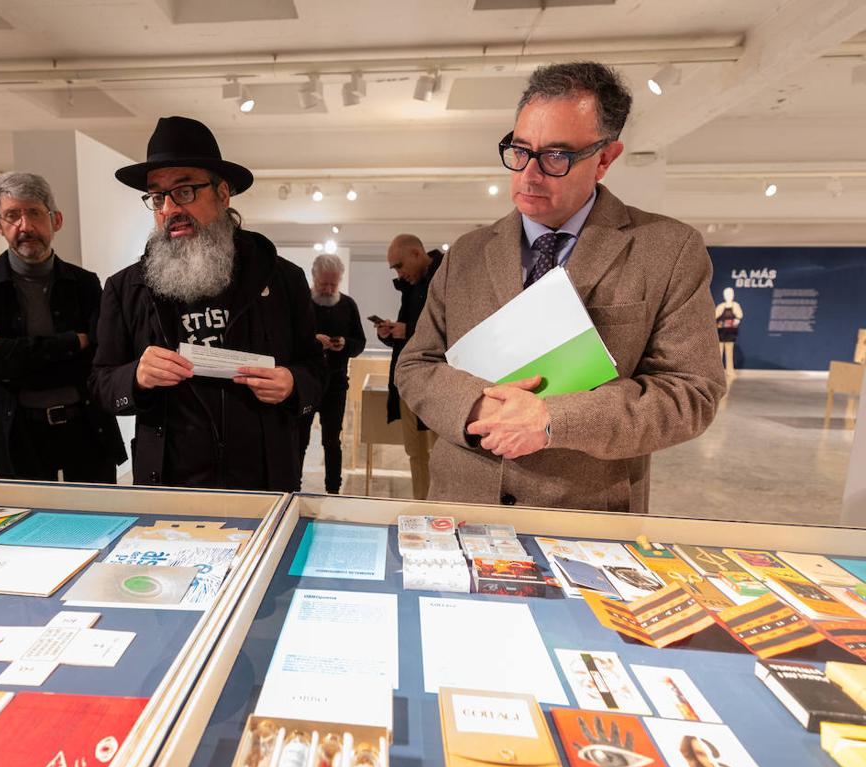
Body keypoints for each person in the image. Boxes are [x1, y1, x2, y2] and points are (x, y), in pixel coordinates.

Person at [396, 62, 725, 513]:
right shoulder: (468, 252)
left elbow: (692, 394)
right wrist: (476, 407)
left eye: (556, 157)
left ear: (605, 159)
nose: (529, 175)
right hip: (462, 505)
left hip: (585, 515)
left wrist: (554, 419)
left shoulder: (667, 249)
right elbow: (417, 365)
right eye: (520, 149)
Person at [91, 115, 326, 491]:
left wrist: (292, 383)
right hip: (169, 483)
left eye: (184, 191)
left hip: (264, 479)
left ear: (222, 193)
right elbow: (101, 383)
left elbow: (316, 369)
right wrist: (134, 375)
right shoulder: (126, 288)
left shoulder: (282, 279)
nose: (169, 208)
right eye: (157, 196)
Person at [0, 172, 126, 482]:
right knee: (28, 528)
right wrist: (73, 343)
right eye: (12, 215)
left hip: (86, 431)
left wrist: (11, 362)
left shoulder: (84, 283)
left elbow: (101, 356)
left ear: (55, 220)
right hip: (19, 435)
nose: (25, 226)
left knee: (100, 526)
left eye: (34, 212)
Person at [377, 234, 441, 500]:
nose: (399, 273)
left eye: (400, 265)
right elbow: (409, 336)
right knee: (415, 451)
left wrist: (409, 330)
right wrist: (390, 333)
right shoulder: (411, 286)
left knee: (441, 451)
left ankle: (440, 509)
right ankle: (421, 505)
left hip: (439, 380)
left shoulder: (445, 275)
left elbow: (452, 331)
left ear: (416, 253)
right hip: (408, 379)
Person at [299, 253, 365, 494]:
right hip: (304, 383)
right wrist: (313, 341)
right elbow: (286, 341)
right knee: (299, 440)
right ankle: (293, 489)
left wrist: (345, 344)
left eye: (333, 284)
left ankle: (333, 490)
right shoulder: (301, 301)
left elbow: (360, 343)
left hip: (336, 384)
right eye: (323, 284)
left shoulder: (347, 305)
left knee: (331, 441)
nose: (327, 289)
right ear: (313, 278)